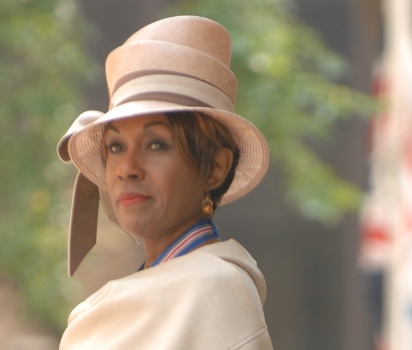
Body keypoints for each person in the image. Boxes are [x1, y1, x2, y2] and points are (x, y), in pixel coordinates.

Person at [55, 16, 273, 349]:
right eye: (116, 147)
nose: (127, 168)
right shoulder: (159, 291)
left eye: (156, 144)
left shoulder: (216, 290)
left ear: (214, 167)